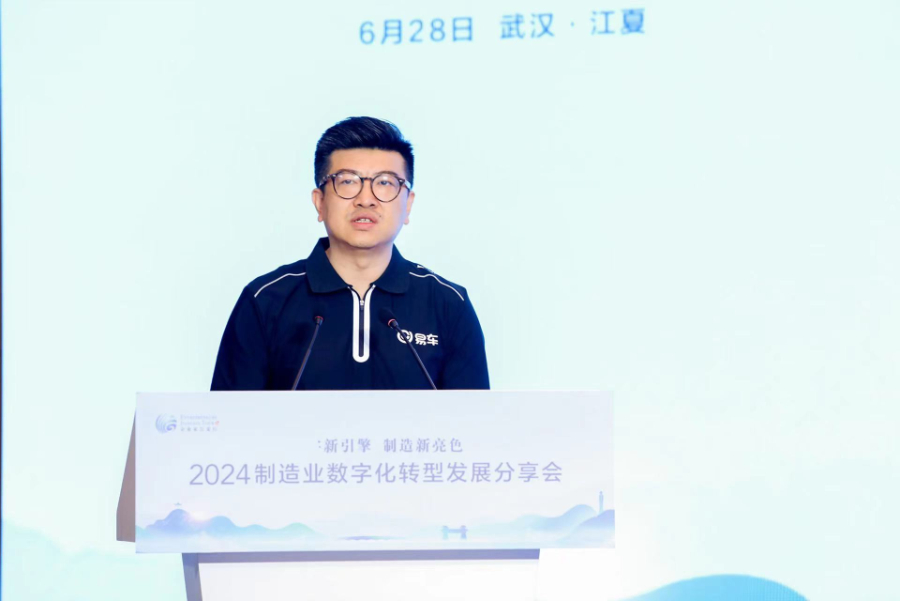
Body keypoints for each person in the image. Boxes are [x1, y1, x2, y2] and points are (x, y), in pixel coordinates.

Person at [211, 117, 489, 391]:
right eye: (347, 182)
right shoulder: (265, 301)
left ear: (408, 205)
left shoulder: (448, 305)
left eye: (385, 183)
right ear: (319, 202)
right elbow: (230, 418)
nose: (365, 199)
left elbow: (474, 418)